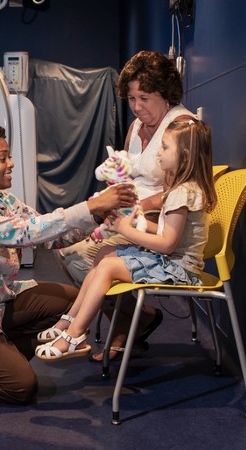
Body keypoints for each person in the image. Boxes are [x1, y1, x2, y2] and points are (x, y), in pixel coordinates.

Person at [0, 124, 136, 404]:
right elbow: (26, 231)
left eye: (8, 156)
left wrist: (97, 217)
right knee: (21, 387)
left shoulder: (5, 201)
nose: (11, 163)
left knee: (71, 301)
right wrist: (90, 206)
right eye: (2, 158)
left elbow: (51, 236)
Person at [35, 119, 216, 361]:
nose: (158, 153)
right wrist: (130, 224)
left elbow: (167, 244)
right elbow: (164, 232)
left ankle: (76, 334)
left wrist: (125, 229)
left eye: (164, 147)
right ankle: (69, 320)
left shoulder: (182, 192)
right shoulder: (182, 188)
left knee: (108, 266)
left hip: (180, 268)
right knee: (103, 255)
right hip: (172, 261)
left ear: (184, 155)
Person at [57, 50, 195, 361]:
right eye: (132, 99)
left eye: (145, 97)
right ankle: (138, 315)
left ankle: (124, 322)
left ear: (166, 91)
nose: (137, 107)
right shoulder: (135, 127)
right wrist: (112, 201)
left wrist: (141, 205)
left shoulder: (182, 127)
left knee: (82, 258)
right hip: (127, 217)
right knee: (66, 250)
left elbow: (183, 190)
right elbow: (126, 173)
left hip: (154, 223)